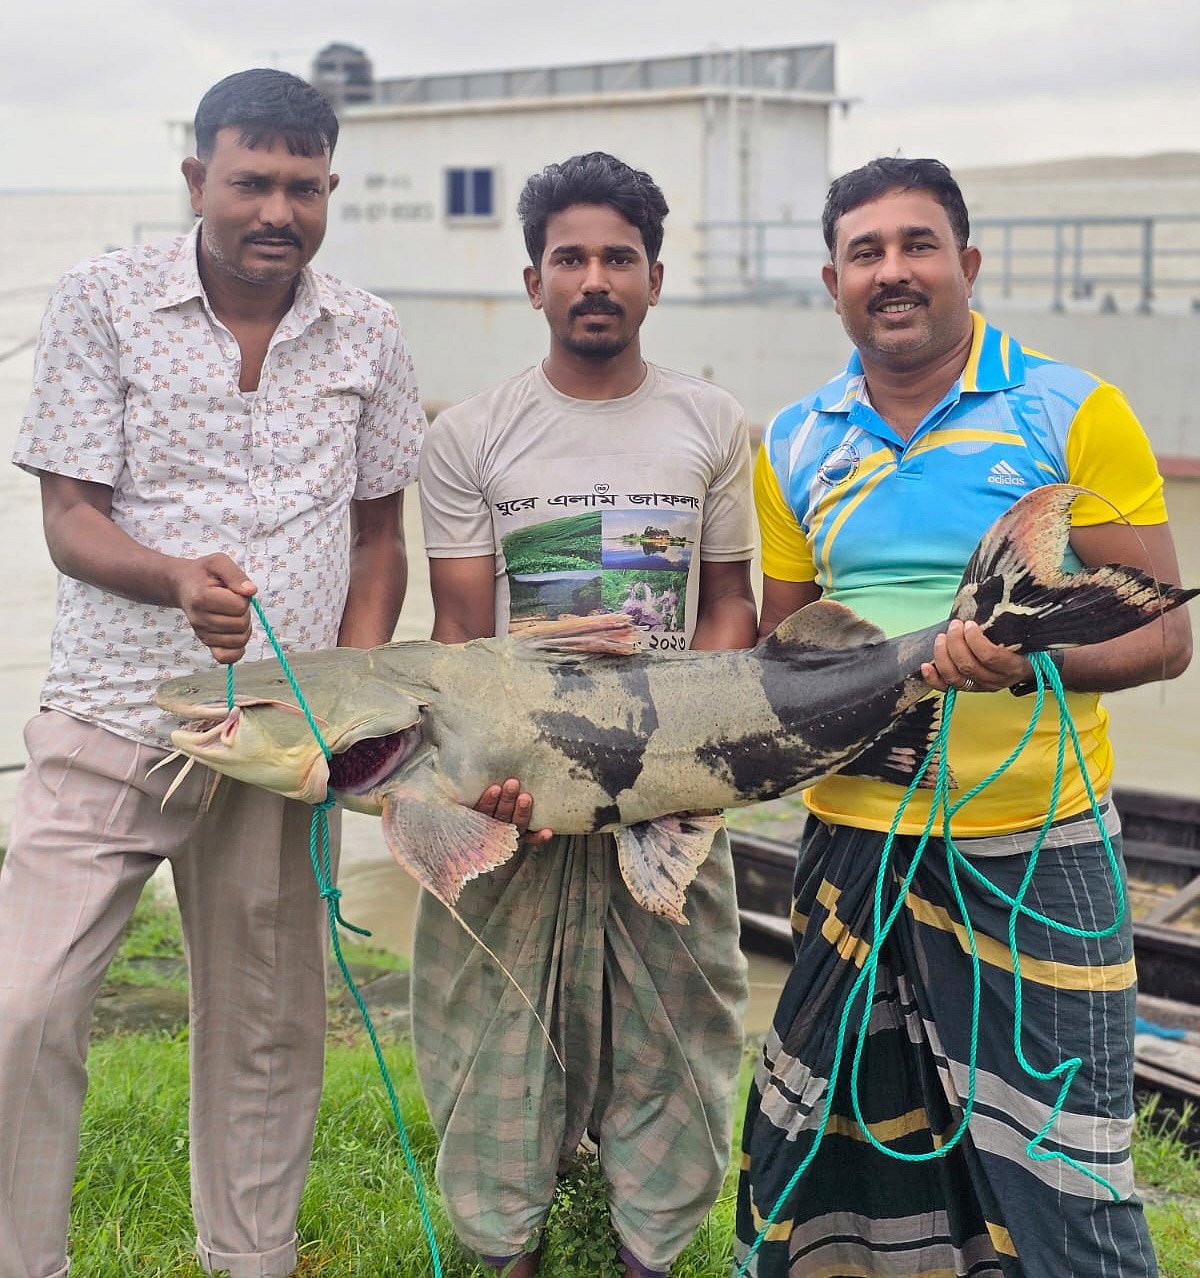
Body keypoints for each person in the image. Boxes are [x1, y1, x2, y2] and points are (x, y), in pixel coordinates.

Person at [735, 156, 1193, 1276]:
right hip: (854, 842)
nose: (893, 272)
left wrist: (1029, 662)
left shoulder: (1071, 411)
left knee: (1066, 1166)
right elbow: (786, 659)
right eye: (866, 253)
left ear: (967, 263)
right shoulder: (793, 443)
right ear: (833, 280)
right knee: (836, 1148)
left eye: (917, 244)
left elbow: (1166, 633)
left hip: (1034, 845)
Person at [1, 69, 425, 1278]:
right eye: (250, 181)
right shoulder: (103, 298)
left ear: (331, 188)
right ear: (198, 180)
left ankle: (253, 1258)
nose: (276, 209)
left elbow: (378, 534)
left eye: (303, 185)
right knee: (23, 1009)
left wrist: (348, 701)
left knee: (267, 1027)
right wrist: (174, 578)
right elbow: (69, 519)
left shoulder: (370, 332)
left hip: (285, 737)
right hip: (110, 708)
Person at [415, 151, 757, 1277]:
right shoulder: (471, 434)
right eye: (572, 258)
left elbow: (724, 608)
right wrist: (492, 781)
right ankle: (502, 1248)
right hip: (522, 792)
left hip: (668, 789)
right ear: (533, 282)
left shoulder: (711, 423)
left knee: (682, 1030)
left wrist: (693, 769)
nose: (595, 278)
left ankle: (647, 1250)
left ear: (656, 280)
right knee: (494, 1036)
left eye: (620, 258)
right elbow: (462, 640)